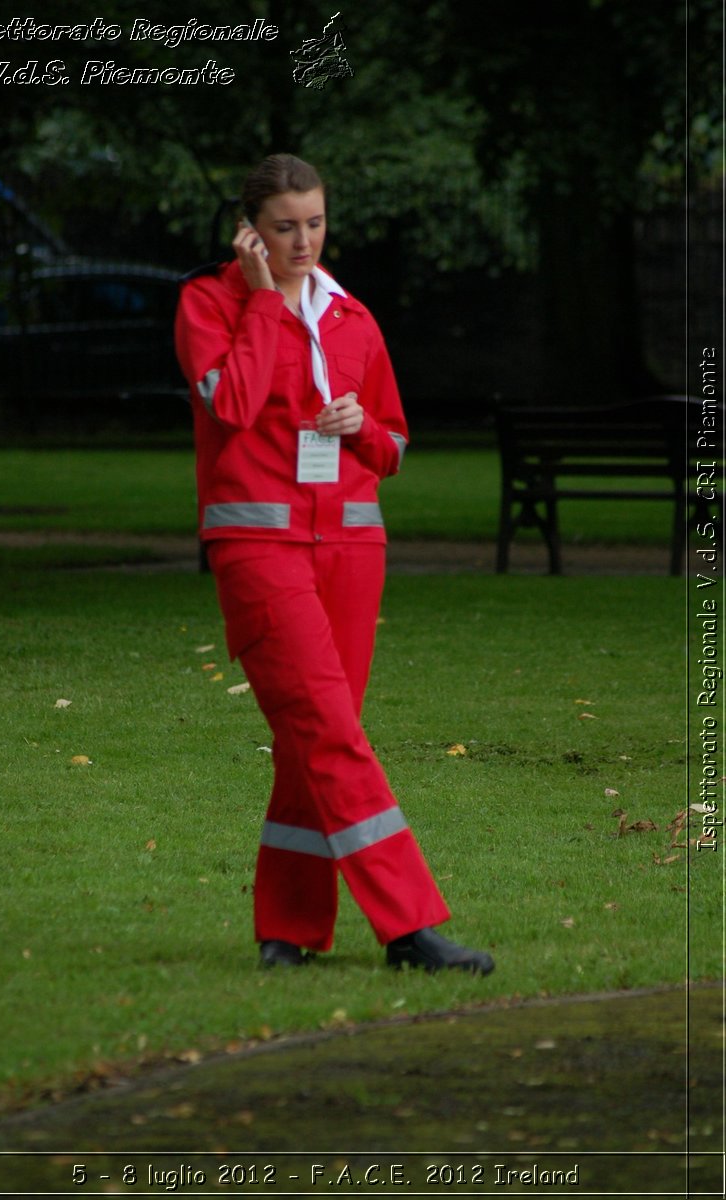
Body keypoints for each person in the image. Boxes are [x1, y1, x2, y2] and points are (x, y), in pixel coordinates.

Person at [174, 153, 494, 975]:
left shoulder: (353, 316)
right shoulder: (208, 303)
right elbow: (235, 407)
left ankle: (288, 927)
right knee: (330, 734)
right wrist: (258, 303)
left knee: (315, 740)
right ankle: (409, 926)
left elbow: (391, 447)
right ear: (249, 232)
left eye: (315, 223)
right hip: (260, 548)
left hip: (352, 549)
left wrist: (358, 429)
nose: (304, 241)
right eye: (285, 227)